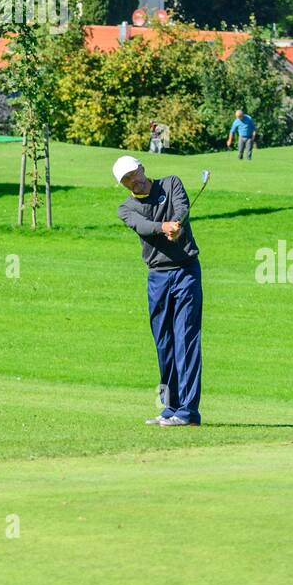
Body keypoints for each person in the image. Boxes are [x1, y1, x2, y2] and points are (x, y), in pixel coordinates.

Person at [113, 154, 202, 427]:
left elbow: (181, 208)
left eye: (134, 173)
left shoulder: (171, 184)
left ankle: (188, 412)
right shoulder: (126, 208)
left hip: (186, 272)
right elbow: (144, 227)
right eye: (127, 179)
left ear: (142, 167)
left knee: (185, 339)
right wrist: (164, 227)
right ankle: (169, 407)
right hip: (157, 278)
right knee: (163, 343)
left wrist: (177, 225)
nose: (134, 180)